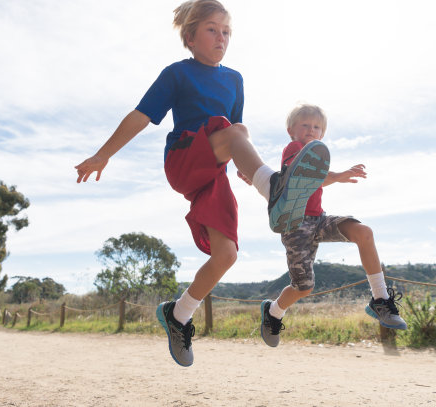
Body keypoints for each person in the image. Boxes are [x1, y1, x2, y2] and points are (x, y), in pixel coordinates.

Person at [74, 1, 329, 367]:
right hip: (184, 157)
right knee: (231, 129)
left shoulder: (235, 80)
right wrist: (104, 154)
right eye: (212, 29)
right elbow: (141, 115)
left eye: (227, 32)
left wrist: (243, 167)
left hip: (214, 170)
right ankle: (272, 186)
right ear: (190, 37)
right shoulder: (177, 74)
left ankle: (178, 314)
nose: (221, 37)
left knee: (226, 255)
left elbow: (236, 139)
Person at [259, 104, 407, 348]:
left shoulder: (316, 157)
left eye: (316, 127)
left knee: (363, 232)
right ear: (290, 131)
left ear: (322, 134)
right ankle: (273, 312)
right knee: (303, 287)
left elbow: (316, 181)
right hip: (294, 225)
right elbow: (304, 177)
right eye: (304, 125)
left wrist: (334, 177)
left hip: (318, 220)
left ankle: (380, 299)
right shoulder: (295, 149)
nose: (310, 130)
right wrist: (337, 176)